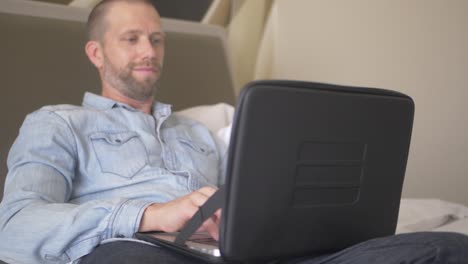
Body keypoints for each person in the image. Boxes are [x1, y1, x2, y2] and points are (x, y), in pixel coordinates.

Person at [0, 0, 467, 263]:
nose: (149, 49)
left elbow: (251, 202)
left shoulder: (198, 133)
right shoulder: (58, 123)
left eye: (157, 38)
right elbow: (14, 228)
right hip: (137, 250)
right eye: (131, 38)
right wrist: (150, 215)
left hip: (235, 256)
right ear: (96, 54)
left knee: (443, 250)